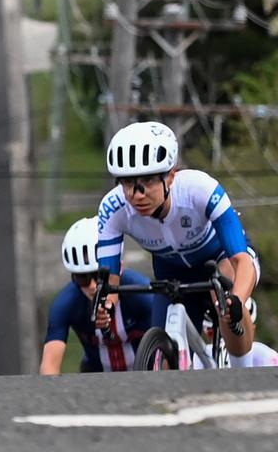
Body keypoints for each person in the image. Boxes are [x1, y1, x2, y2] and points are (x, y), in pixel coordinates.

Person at [96, 121, 261, 365]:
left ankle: (242, 372)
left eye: (148, 180)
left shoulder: (200, 189)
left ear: (170, 176)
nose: (137, 194)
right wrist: (106, 307)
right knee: (158, 356)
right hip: (172, 271)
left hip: (220, 259)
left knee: (226, 305)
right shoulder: (113, 209)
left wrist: (236, 299)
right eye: (128, 183)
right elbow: (109, 282)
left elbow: (241, 260)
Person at [40, 218, 164, 373]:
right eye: (82, 278)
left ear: (119, 268)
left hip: (147, 375)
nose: (92, 286)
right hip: (97, 380)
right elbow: (49, 366)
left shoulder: (141, 291)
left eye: (99, 276)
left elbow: (171, 347)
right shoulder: (66, 303)